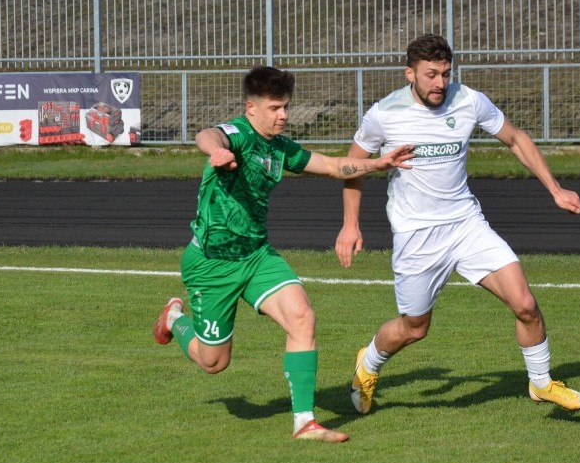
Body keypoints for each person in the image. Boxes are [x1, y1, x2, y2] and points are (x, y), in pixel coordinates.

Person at [154, 66, 413, 443]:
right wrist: (217, 152)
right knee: (213, 363)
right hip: (212, 264)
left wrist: (378, 162)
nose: (283, 115)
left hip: (257, 255)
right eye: (275, 107)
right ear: (252, 108)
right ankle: (174, 318)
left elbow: (327, 165)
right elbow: (206, 134)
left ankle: (305, 422)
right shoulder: (237, 135)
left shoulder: (279, 148)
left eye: (286, 107)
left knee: (302, 316)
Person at [334, 34, 580, 415]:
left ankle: (541, 383)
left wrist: (554, 189)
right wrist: (350, 225)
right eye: (431, 74)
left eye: (445, 74)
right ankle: (367, 365)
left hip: (466, 224)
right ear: (410, 74)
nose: (440, 83)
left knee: (525, 304)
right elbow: (353, 168)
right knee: (414, 328)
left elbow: (516, 139)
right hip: (417, 235)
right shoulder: (385, 114)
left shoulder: (468, 100)